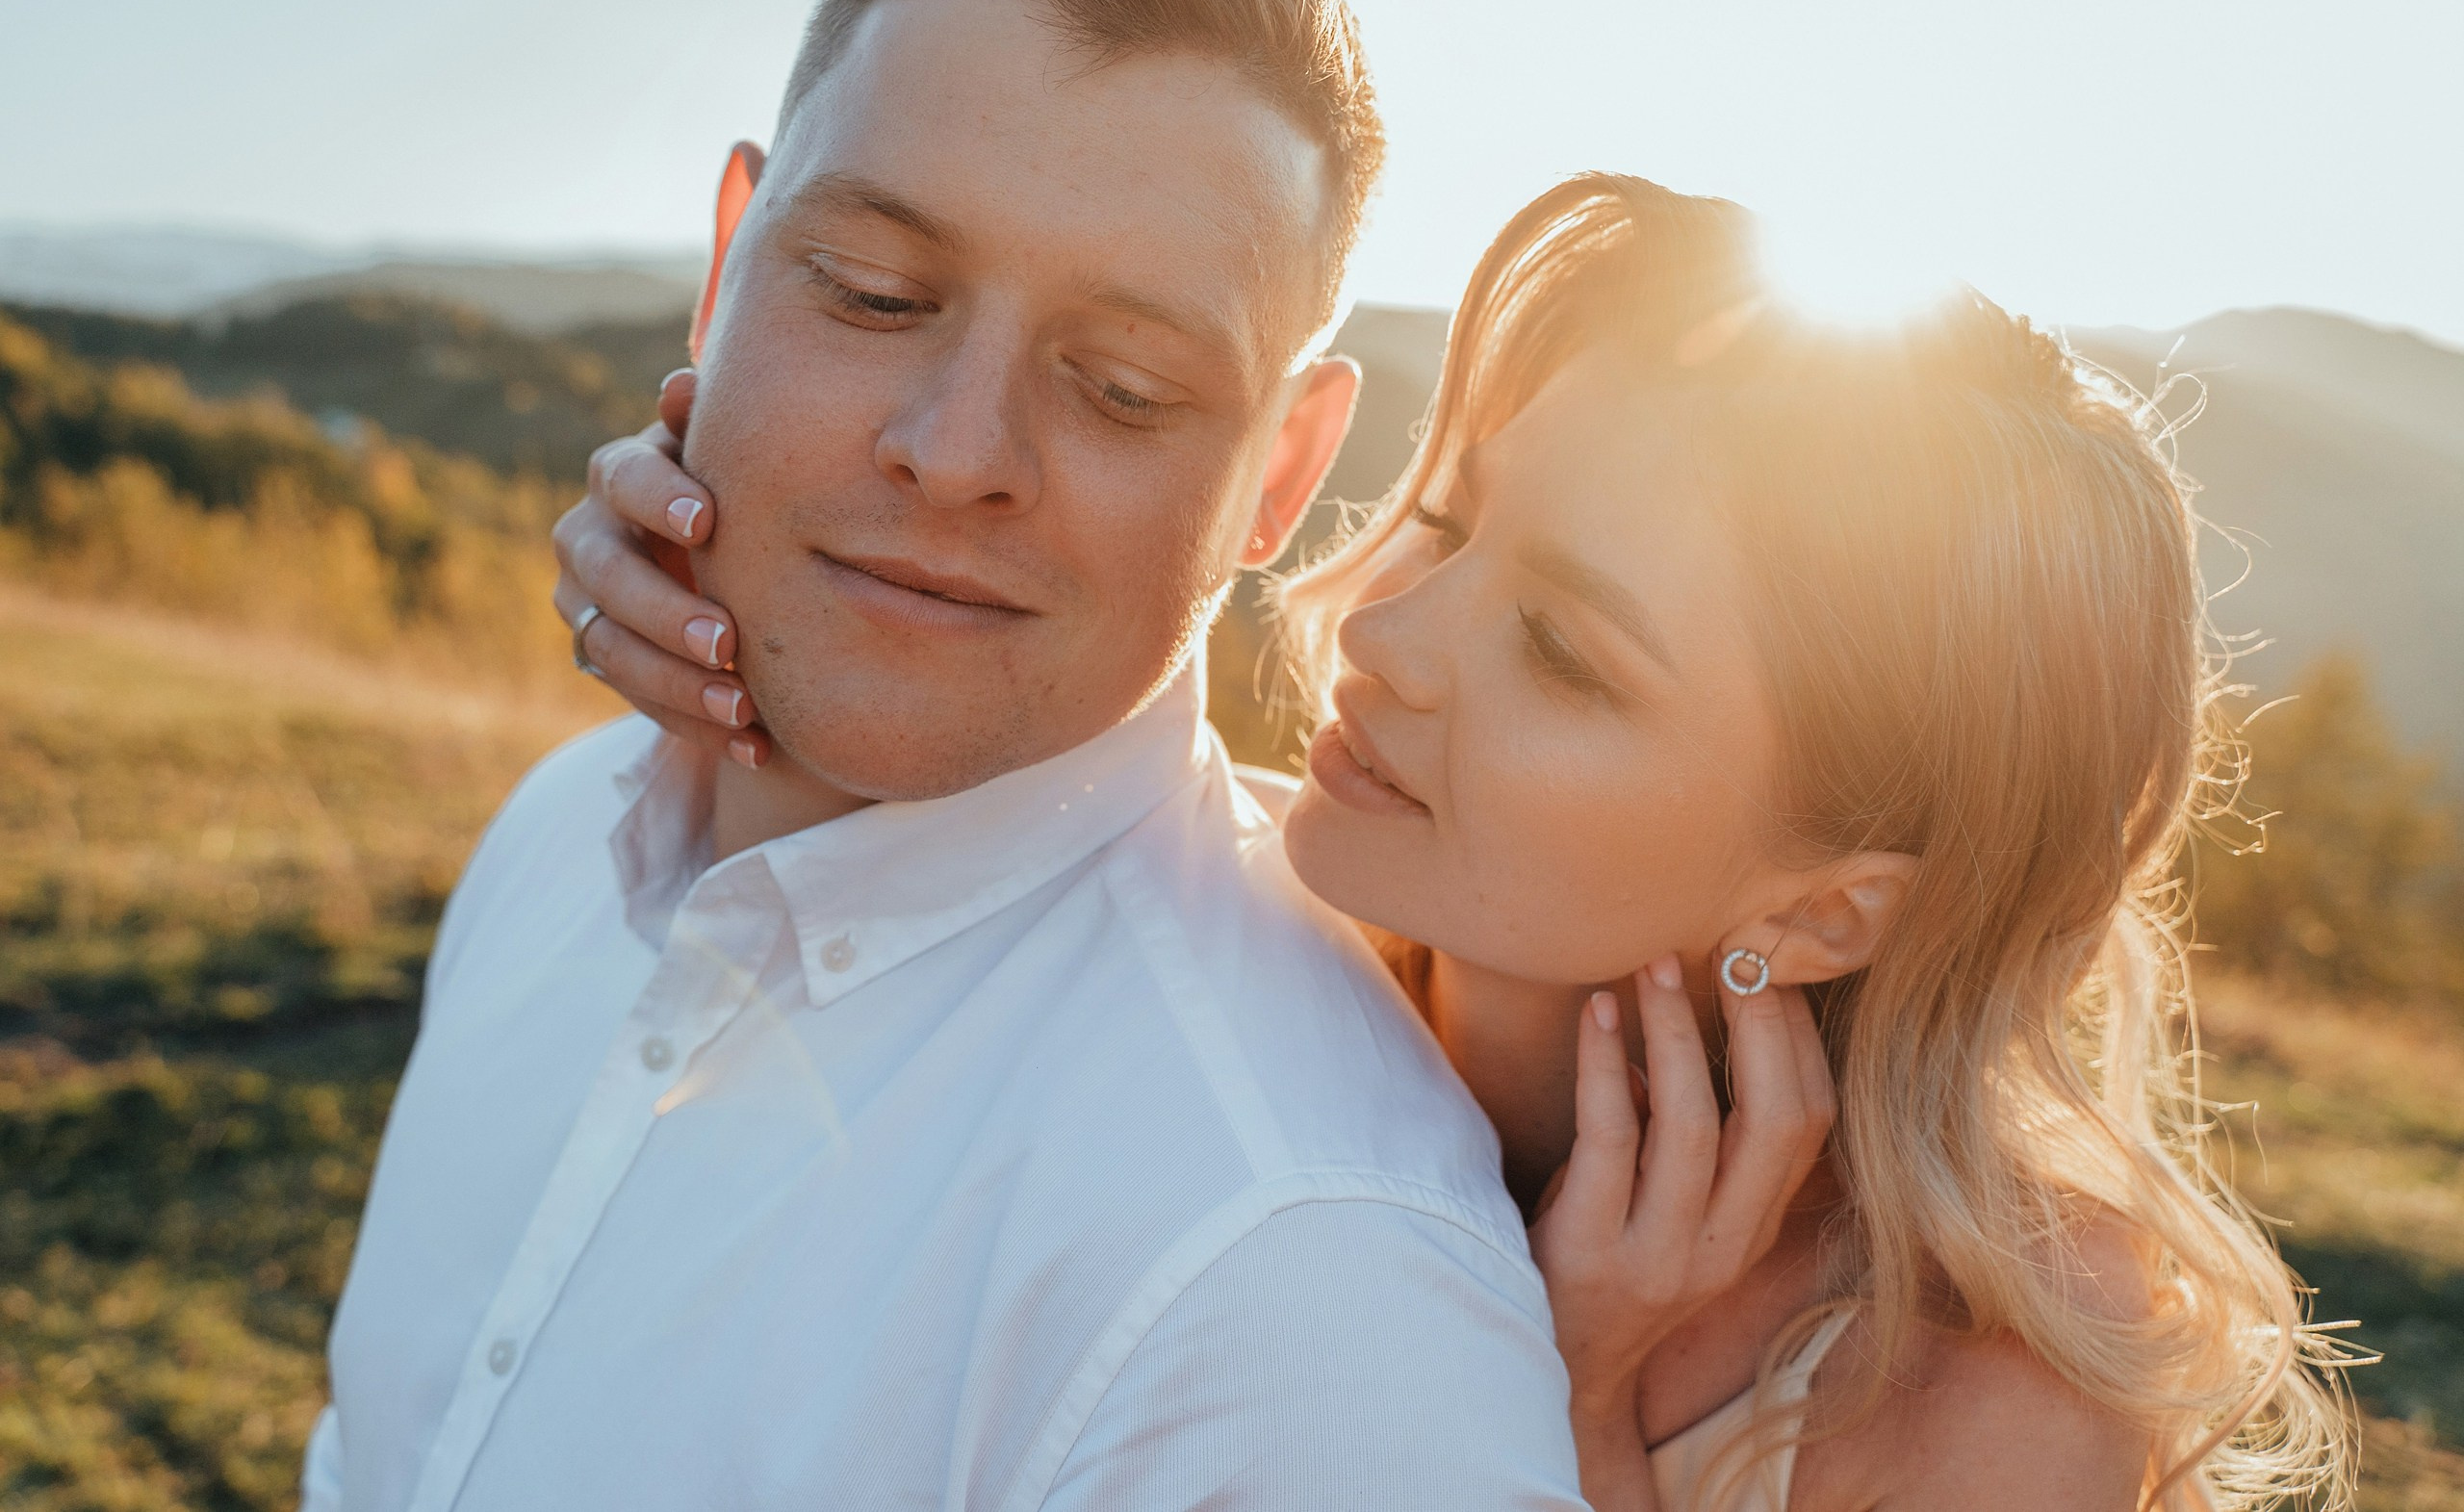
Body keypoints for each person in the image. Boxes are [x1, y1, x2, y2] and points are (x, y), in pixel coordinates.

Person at [578, 176, 2355, 1509]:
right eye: (1448, 520)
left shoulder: (1978, 1392)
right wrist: (692, 570)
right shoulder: (1211, 919)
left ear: (1824, 908)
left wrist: (1561, 1404)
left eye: (1567, 655)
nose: (1386, 637)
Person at [306, 0, 1595, 1509]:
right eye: (873, 294)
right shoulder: (556, 838)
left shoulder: (1302, 1292)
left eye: (1124, 389)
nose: (956, 452)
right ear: (725, 271)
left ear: (1283, 474)